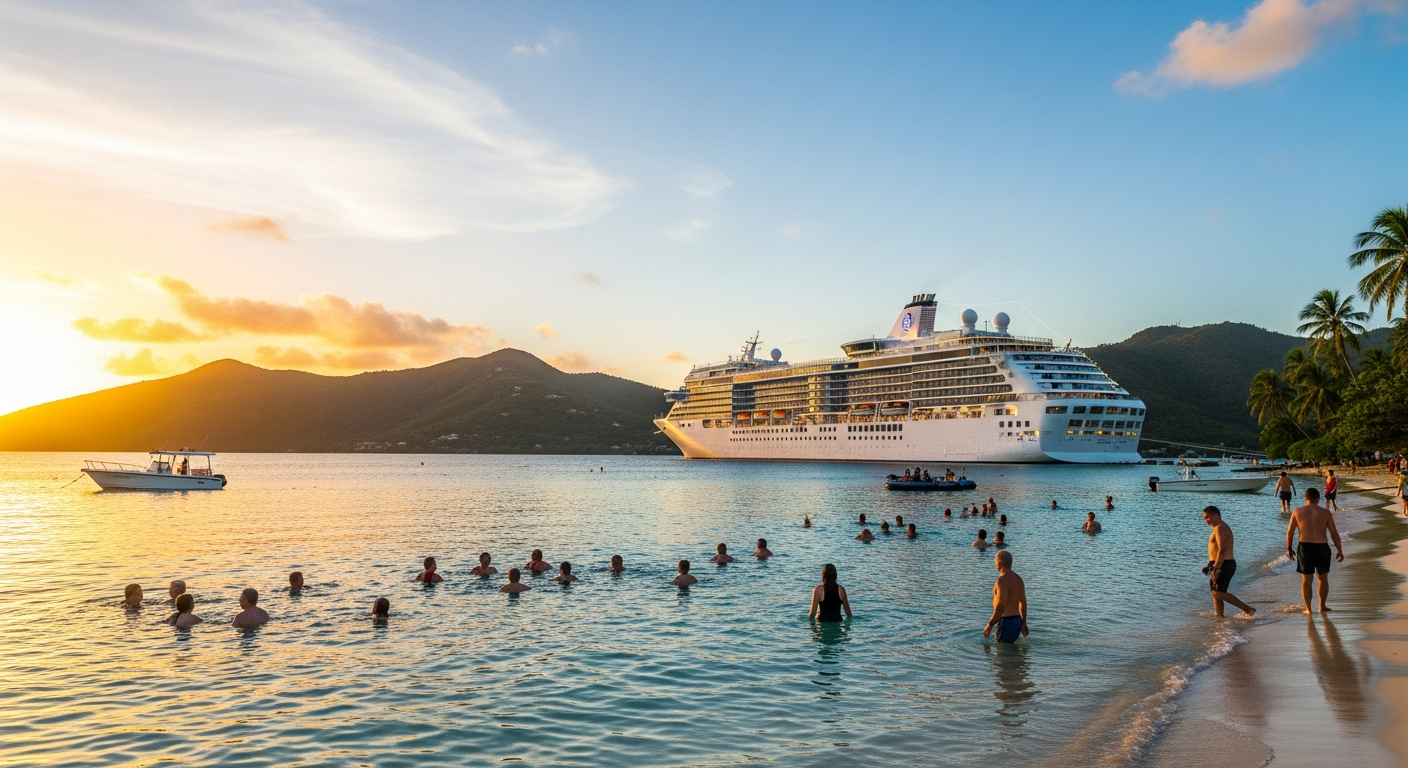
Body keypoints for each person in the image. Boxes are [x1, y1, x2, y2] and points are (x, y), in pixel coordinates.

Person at [1287, 488, 1344, 615]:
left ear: (1305, 498)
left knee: (1306, 580)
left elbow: (1290, 531)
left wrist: (1289, 548)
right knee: (1323, 578)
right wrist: (1340, 551)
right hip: (1322, 547)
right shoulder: (1326, 513)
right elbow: (1334, 533)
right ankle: (1322, 606)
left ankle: (1308, 609)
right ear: (1318, 499)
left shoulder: (1297, 512)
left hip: (1305, 547)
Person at [1203, 506, 1255, 619]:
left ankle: (1248, 609)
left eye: (1208, 517)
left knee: (1218, 592)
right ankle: (1219, 617)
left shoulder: (1220, 528)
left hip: (1224, 564)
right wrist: (1211, 565)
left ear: (1216, 515)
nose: (1206, 520)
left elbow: (1222, 549)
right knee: (1215, 593)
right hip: (1220, 563)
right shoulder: (1219, 528)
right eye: (1205, 518)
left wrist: (1216, 566)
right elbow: (1216, 550)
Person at [983, 550, 1028, 643]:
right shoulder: (1019, 579)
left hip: (1006, 621)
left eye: (995, 561)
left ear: (999, 563)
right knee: (1012, 653)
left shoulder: (1002, 580)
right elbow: (1023, 602)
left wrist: (990, 624)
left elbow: (1002, 604)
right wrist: (1023, 623)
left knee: (1001, 655)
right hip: (1017, 620)